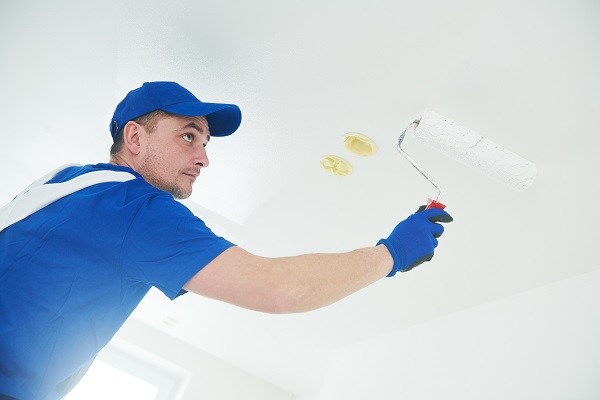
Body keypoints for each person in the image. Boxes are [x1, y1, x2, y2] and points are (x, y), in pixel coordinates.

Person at [0, 81, 452, 400]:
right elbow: (279, 289)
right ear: (134, 137)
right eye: (188, 136)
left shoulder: (65, 184)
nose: (203, 157)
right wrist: (391, 253)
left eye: (206, 143)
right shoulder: (131, 205)